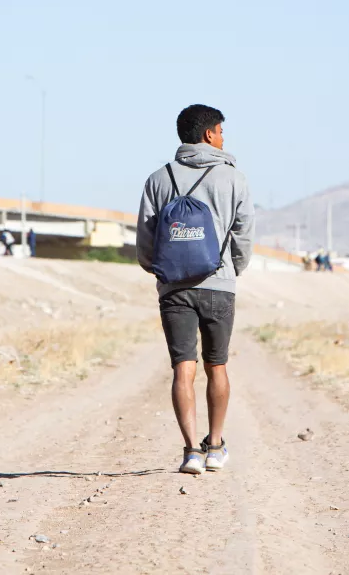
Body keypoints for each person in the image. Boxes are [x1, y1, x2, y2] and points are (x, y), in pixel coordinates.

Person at [137, 104, 254, 475]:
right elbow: (243, 233)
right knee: (217, 366)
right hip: (219, 286)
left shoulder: (158, 178)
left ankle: (191, 452)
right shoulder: (234, 178)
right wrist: (231, 270)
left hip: (173, 288)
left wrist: (159, 271)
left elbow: (145, 237)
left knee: (182, 369)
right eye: (221, 132)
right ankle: (216, 447)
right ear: (209, 135)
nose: (223, 139)